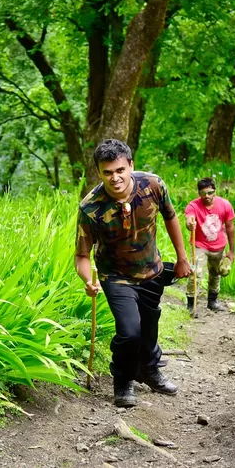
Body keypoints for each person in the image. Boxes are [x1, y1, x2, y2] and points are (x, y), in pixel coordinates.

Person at [75, 139, 192, 407]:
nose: (114, 178)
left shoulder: (153, 185)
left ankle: (149, 370)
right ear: (99, 172)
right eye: (107, 172)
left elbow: (171, 217)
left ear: (130, 165)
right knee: (130, 331)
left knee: (149, 326)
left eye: (119, 170)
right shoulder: (91, 207)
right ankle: (124, 379)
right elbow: (81, 255)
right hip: (115, 276)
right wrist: (87, 280)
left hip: (152, 270)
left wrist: (182, 258)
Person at [184, 177, 235, 315]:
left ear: (215, 191)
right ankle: (191, 303)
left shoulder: (225, 205)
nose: (207, 196)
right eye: (203, 193)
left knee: (216, 273)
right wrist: (190, 224)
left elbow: (230, 228)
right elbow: (188, 219)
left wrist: (231, 251)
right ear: (199, 193)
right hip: (199, 244)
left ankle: (212, 301)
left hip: (219, 245)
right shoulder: (193, 206)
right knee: (195, 272)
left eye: (210, 193)